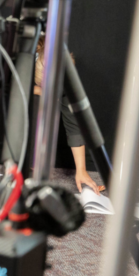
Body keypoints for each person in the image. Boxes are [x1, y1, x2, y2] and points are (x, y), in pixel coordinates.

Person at [34, 35, 104, 194]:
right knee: (37, 100)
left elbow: (74, 126)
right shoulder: (22, 59)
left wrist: (81, 170)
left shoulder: (66, 79)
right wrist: (40, 91)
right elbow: (8, 87)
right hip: (4, 93)